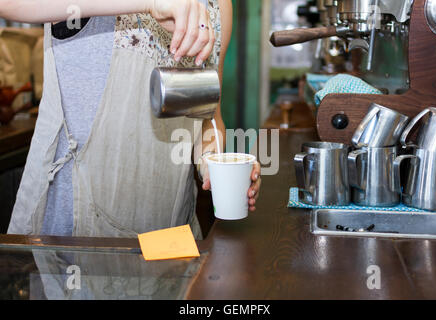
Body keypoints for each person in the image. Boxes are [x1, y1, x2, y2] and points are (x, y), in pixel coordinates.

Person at [1, 0, 261, 239]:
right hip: (77, 240)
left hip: (169, 233)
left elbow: (208, 116)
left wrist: (212, 166)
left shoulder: (218, 6)